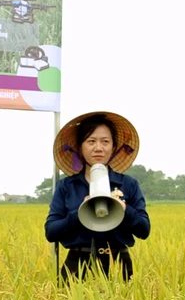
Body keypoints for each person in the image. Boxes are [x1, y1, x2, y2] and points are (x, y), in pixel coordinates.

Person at [46, 111, 151, 281]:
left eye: (105, 141)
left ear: (114, 147)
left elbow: (144, 230)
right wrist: (78, 213)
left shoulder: (128, 184)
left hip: (118, 266)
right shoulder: (67, 186)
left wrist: (124, 209)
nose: (98, 148)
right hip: (76, 266)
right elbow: (51, 232)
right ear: (80, 147)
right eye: (91, 141)